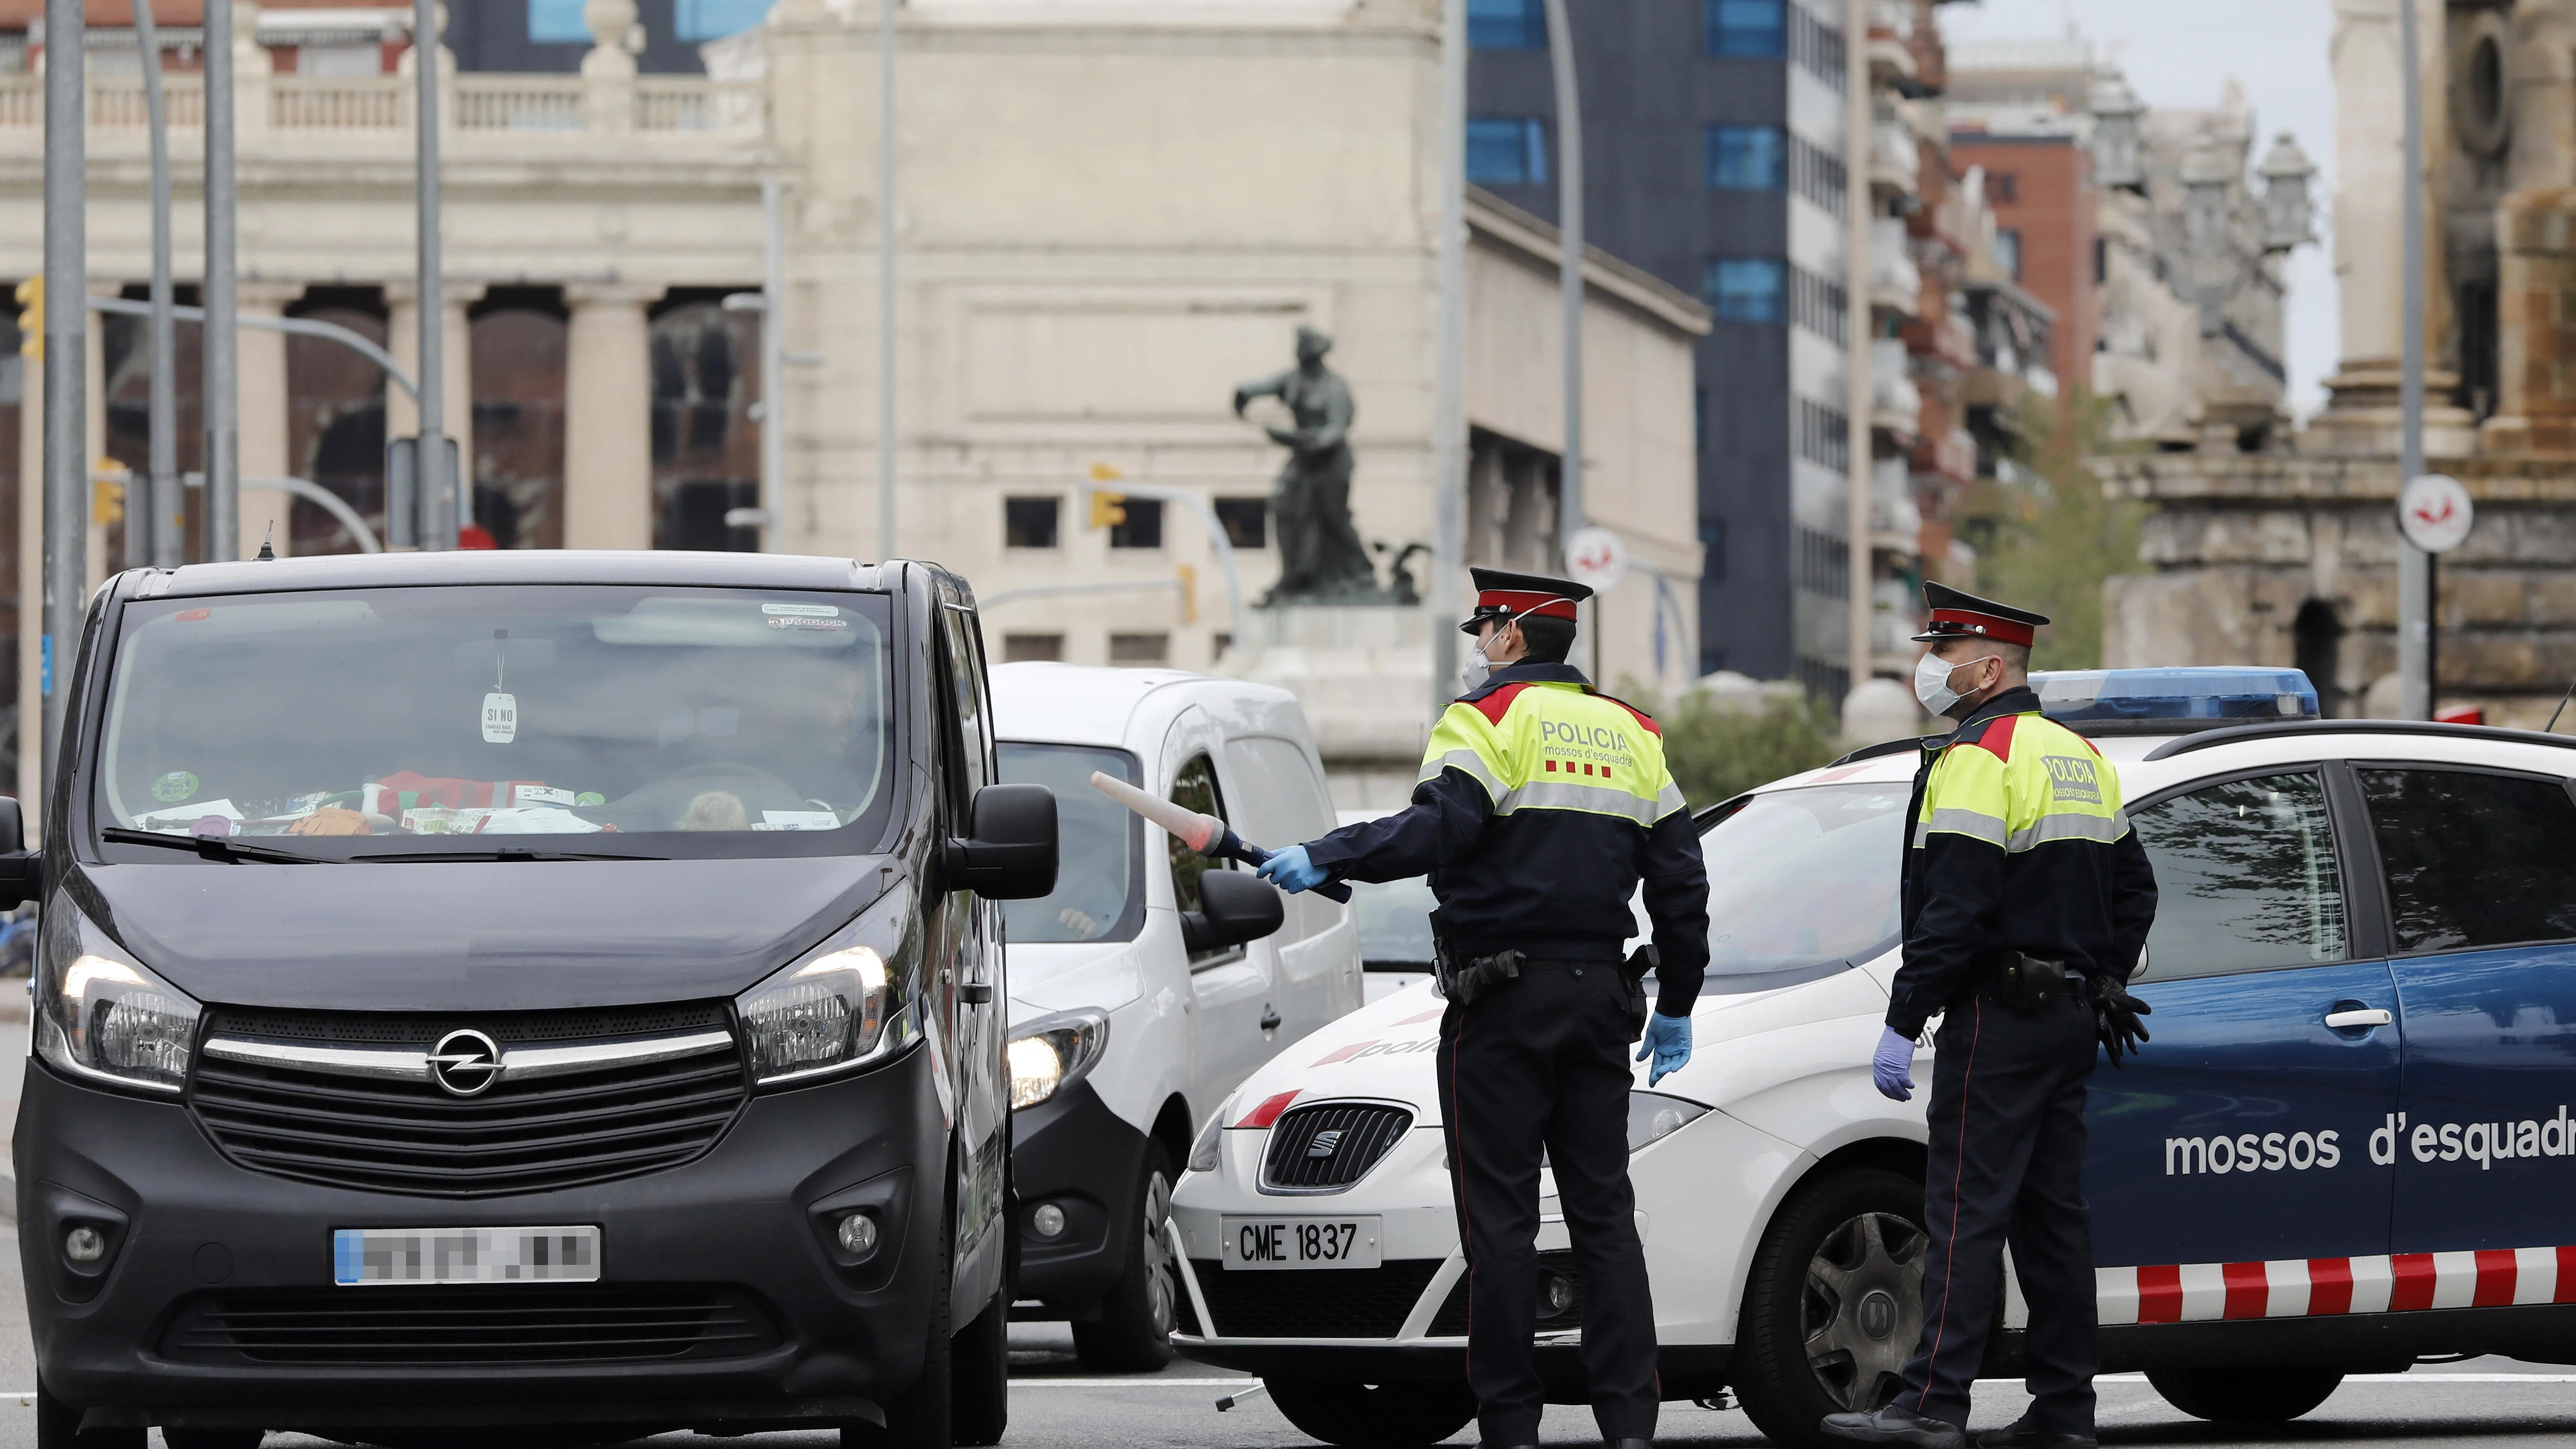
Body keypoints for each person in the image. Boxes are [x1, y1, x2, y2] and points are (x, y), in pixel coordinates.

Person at [1256, 568, 1711, 1449]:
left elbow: (1438, 829)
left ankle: (1510, 1425)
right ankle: (1628, 1424)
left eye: (1482, 632)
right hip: (1598, 1003)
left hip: (1500, 1005)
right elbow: (1681, 881)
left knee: (1499, 1222)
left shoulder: (1485, 721)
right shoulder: (1635, 733)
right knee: (1603, 1216)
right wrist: (1677, 1000)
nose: (1476, 649)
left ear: (1509, 635)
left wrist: (1327, 854)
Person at [1822, 583, 2158, 1449]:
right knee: (2053, 1224)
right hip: (2069, 1021)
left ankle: (1931, 1404)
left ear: (1988, 665)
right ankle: (2065, 1412)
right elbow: (2136, 888)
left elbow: (1955, 909)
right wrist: (2101, 978)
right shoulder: (2078, 753)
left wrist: (1905, 1014)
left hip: (1999, 1021)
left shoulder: (1982, 755)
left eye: (1944, 650)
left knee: (1964, 1215)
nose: (1929, 666)